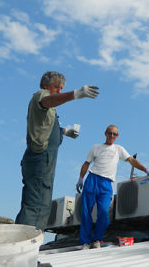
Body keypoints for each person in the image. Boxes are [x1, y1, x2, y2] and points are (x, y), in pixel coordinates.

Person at [15, 71, 99, 230]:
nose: (59, 91)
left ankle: (24, 242)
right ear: (46, 86)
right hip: (40, 158)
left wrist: (64, 132)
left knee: (39, 202)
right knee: (37, 205)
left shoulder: (49, 108)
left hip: (43, 160)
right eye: (57, 87)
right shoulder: (41, 95)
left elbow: (44, 126)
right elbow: (47, 101)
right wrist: (75, 94)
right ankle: (25, 244)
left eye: (62, 88)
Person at [75, 125, 149, 249]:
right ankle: (84, 242)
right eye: (110, 133)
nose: (112, 136)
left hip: (107, 183)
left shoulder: (119, 149)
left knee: (103, 212)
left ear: (117, 136)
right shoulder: (96, 147)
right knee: (86, 211)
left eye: (114, 134)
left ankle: (97, 239)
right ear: (105, 133)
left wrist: (146, 170)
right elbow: (86, 163)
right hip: (92, 179)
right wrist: (81, 178)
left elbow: (131, 161)